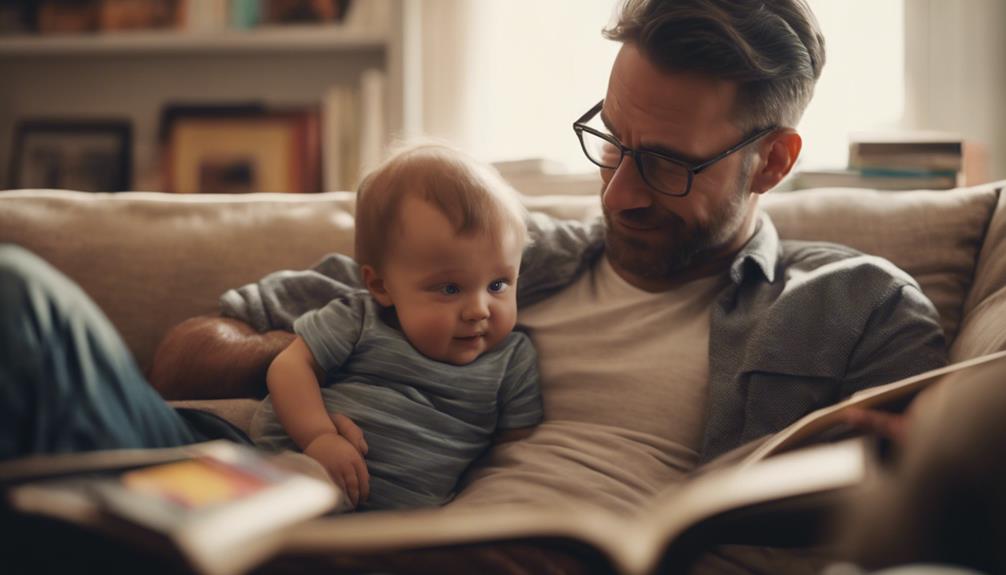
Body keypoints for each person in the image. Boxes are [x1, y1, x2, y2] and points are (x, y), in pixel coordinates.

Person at [0, 0, 948, 572]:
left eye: (663, 163)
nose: (617, 189)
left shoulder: (852, 306)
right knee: (19, 299)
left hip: (477, 558)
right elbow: (183, 350)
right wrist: (296, 367)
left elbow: (936, 496)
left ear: (774, 161)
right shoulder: (502, 255)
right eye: (611, 139)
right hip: (265, 489)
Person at [250, 143, 543, 511]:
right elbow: (290, 366)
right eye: (450, 288)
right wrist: (319, 436)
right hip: (290, 475)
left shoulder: (512, 359)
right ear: (381, 286)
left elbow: (515, 446)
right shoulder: (360, 318)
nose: (478, 310)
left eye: (498, 284)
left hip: (399, 526)